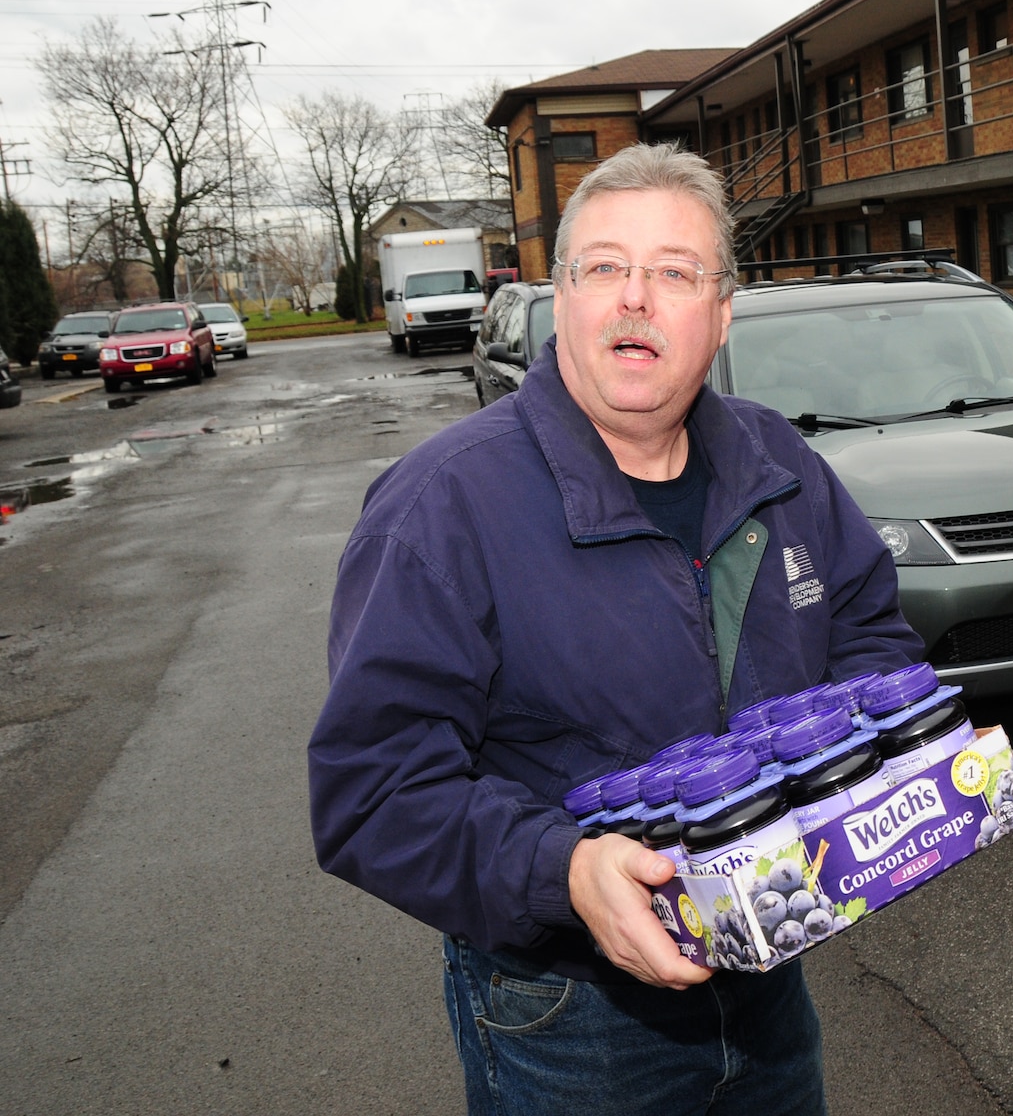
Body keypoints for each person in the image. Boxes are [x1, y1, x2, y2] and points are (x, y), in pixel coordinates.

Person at [308, 143, 922, 1115]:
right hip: (569, 1019)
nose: (635, 297)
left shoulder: (779, 460)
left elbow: (870, 638)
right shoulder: (440, 506)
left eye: (674, 272)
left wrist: (865, 778)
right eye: (604, 266)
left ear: (719, 314)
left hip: (768, 980)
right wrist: (565, 869)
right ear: (561, 296)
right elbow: (372, 791)